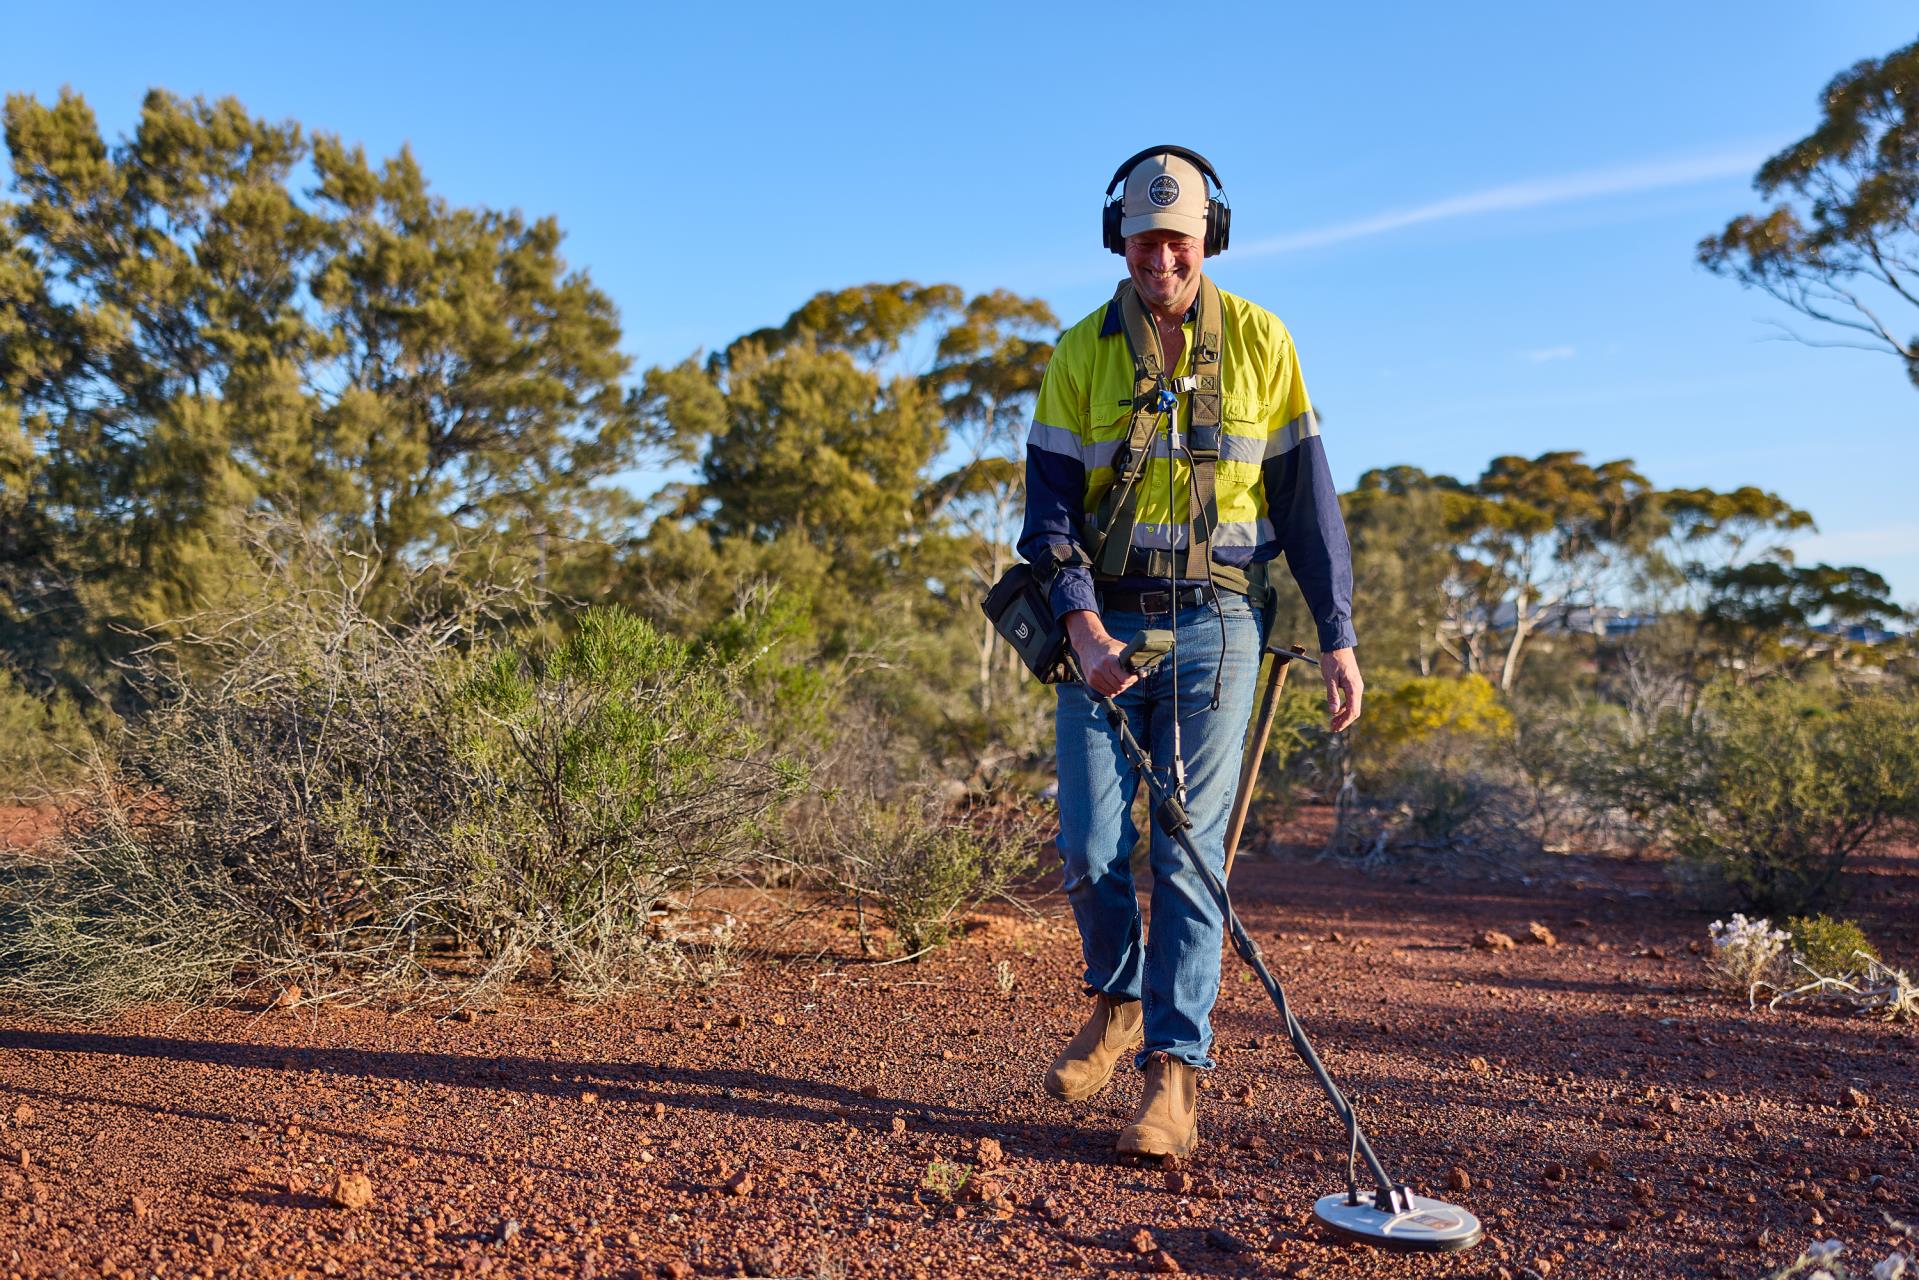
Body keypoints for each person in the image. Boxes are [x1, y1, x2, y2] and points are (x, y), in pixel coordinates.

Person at [1018, 146, 1363, 1160]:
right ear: (1115, 238)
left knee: (1185, 852)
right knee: (1087, 844)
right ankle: (1117, 996)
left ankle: (1172, 1070)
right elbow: (1047, 517)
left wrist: (1337, 633)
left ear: (1209, 237)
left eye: (1177, 239)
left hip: (1219, 622)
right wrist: (1081, 627)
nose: (1159, 258)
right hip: (1103, 625)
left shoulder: (1261, 339)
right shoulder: (1078, 353)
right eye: (1142, 239)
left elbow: (1306, 501)